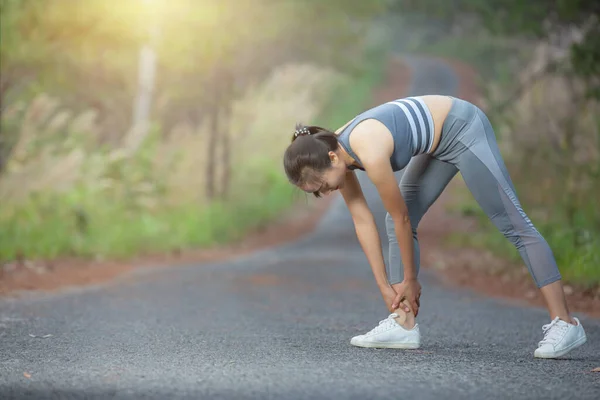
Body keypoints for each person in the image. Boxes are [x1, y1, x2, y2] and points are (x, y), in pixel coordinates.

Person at [282, 94, 587, 358]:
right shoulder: (335, 154)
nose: (324, 193)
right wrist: (384, 288)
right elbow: (362, 221)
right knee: (394, 221)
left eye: (321, 185)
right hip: (436, 143)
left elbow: (401, 215)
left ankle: (565, 322)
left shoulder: (367, 148)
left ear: (332, 158)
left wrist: (411, 278)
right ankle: (403, 322)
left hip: (463, 127)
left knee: (513, 223)